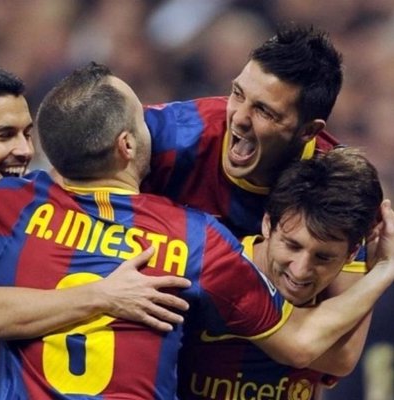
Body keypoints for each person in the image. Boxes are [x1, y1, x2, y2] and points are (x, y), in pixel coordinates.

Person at [0, 62, 394, 399]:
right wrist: (383, 269)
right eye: (143, 121)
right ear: (128, 146)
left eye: (27, 134)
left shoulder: (8, 204)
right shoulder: (197, 238)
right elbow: (304, 343)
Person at [0, 66, 190, 400]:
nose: (24, 150)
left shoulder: (23, 207)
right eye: (4, 136)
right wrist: (104, 295)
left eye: (27, 133)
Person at [141, 24, 373, 396]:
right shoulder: (165, 139)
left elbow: (340, 355)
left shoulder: (341, 186)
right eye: (237, 93)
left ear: (308, 131)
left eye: (265, 111)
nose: (238, 117)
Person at [178, 147, 383, 399]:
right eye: (292, 245)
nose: (301, 270)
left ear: (351, 254)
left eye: (323, 257)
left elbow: (342, 358)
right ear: (267, 224)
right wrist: (384, 269)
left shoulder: (341, 292)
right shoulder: (215, 268)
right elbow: (330, 355)